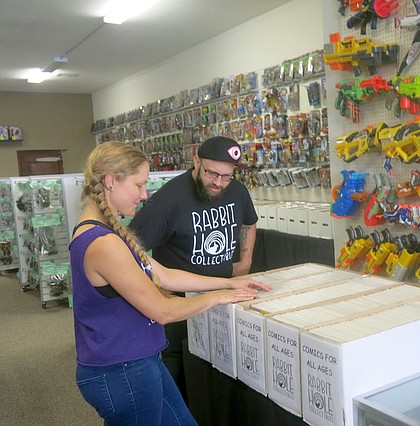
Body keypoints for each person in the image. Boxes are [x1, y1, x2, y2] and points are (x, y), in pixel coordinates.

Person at [70, 141, 270, 425]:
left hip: (141, 362)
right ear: (111, 181)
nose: (143, 195)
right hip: (122, 370)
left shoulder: (107, 233)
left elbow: (165, 274)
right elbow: (162, 310)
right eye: (138, 185)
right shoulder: (102, 244)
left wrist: (226, 283)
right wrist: (218, 297)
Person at [128, 135, 258, 402]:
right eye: (212, 174)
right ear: (196, 161)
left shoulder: (236, 191)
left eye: (226, 176)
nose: (219, 183)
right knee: (178, 376)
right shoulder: (168, 199)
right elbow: (130, 249)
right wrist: (155, 288)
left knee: (220, 372)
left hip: (223, 295)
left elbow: (249, 222)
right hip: (180, 306)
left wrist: (245, 260)